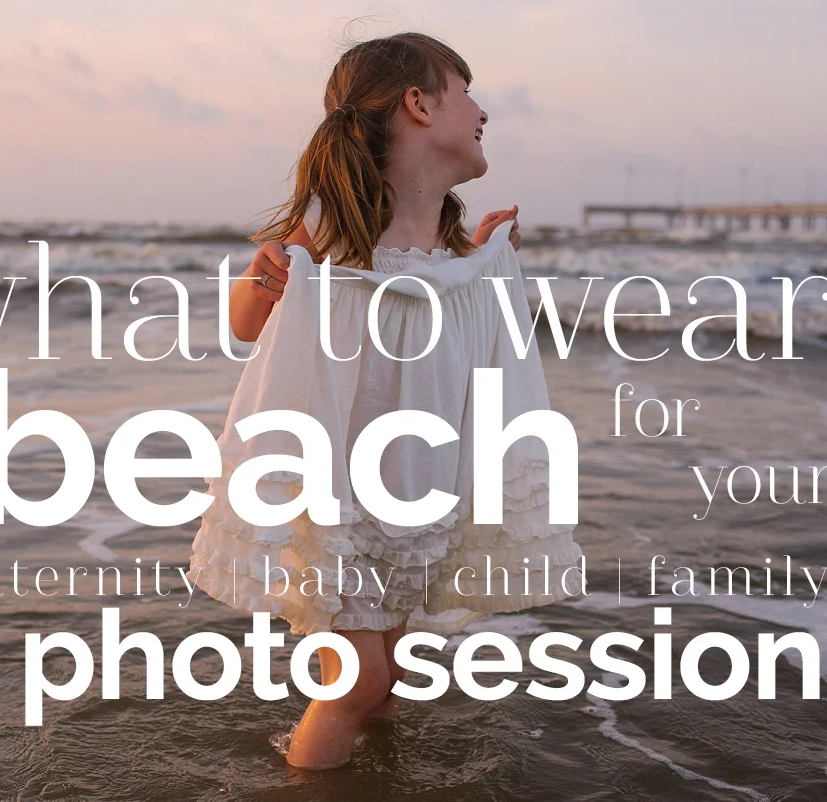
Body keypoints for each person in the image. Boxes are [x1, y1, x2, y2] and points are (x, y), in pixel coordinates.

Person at [189, 32, 581, 771]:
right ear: (418, 104)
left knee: (396, 677)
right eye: (467, 90)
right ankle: (304, 781)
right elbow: (248, 325)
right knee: (358, 680)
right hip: (340, 505)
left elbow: (450, 326)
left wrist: (484, 266)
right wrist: (263, 277)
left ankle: (372, 781)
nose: (482, 109)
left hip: (417, 507)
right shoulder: (336, 227)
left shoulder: (453, 249)